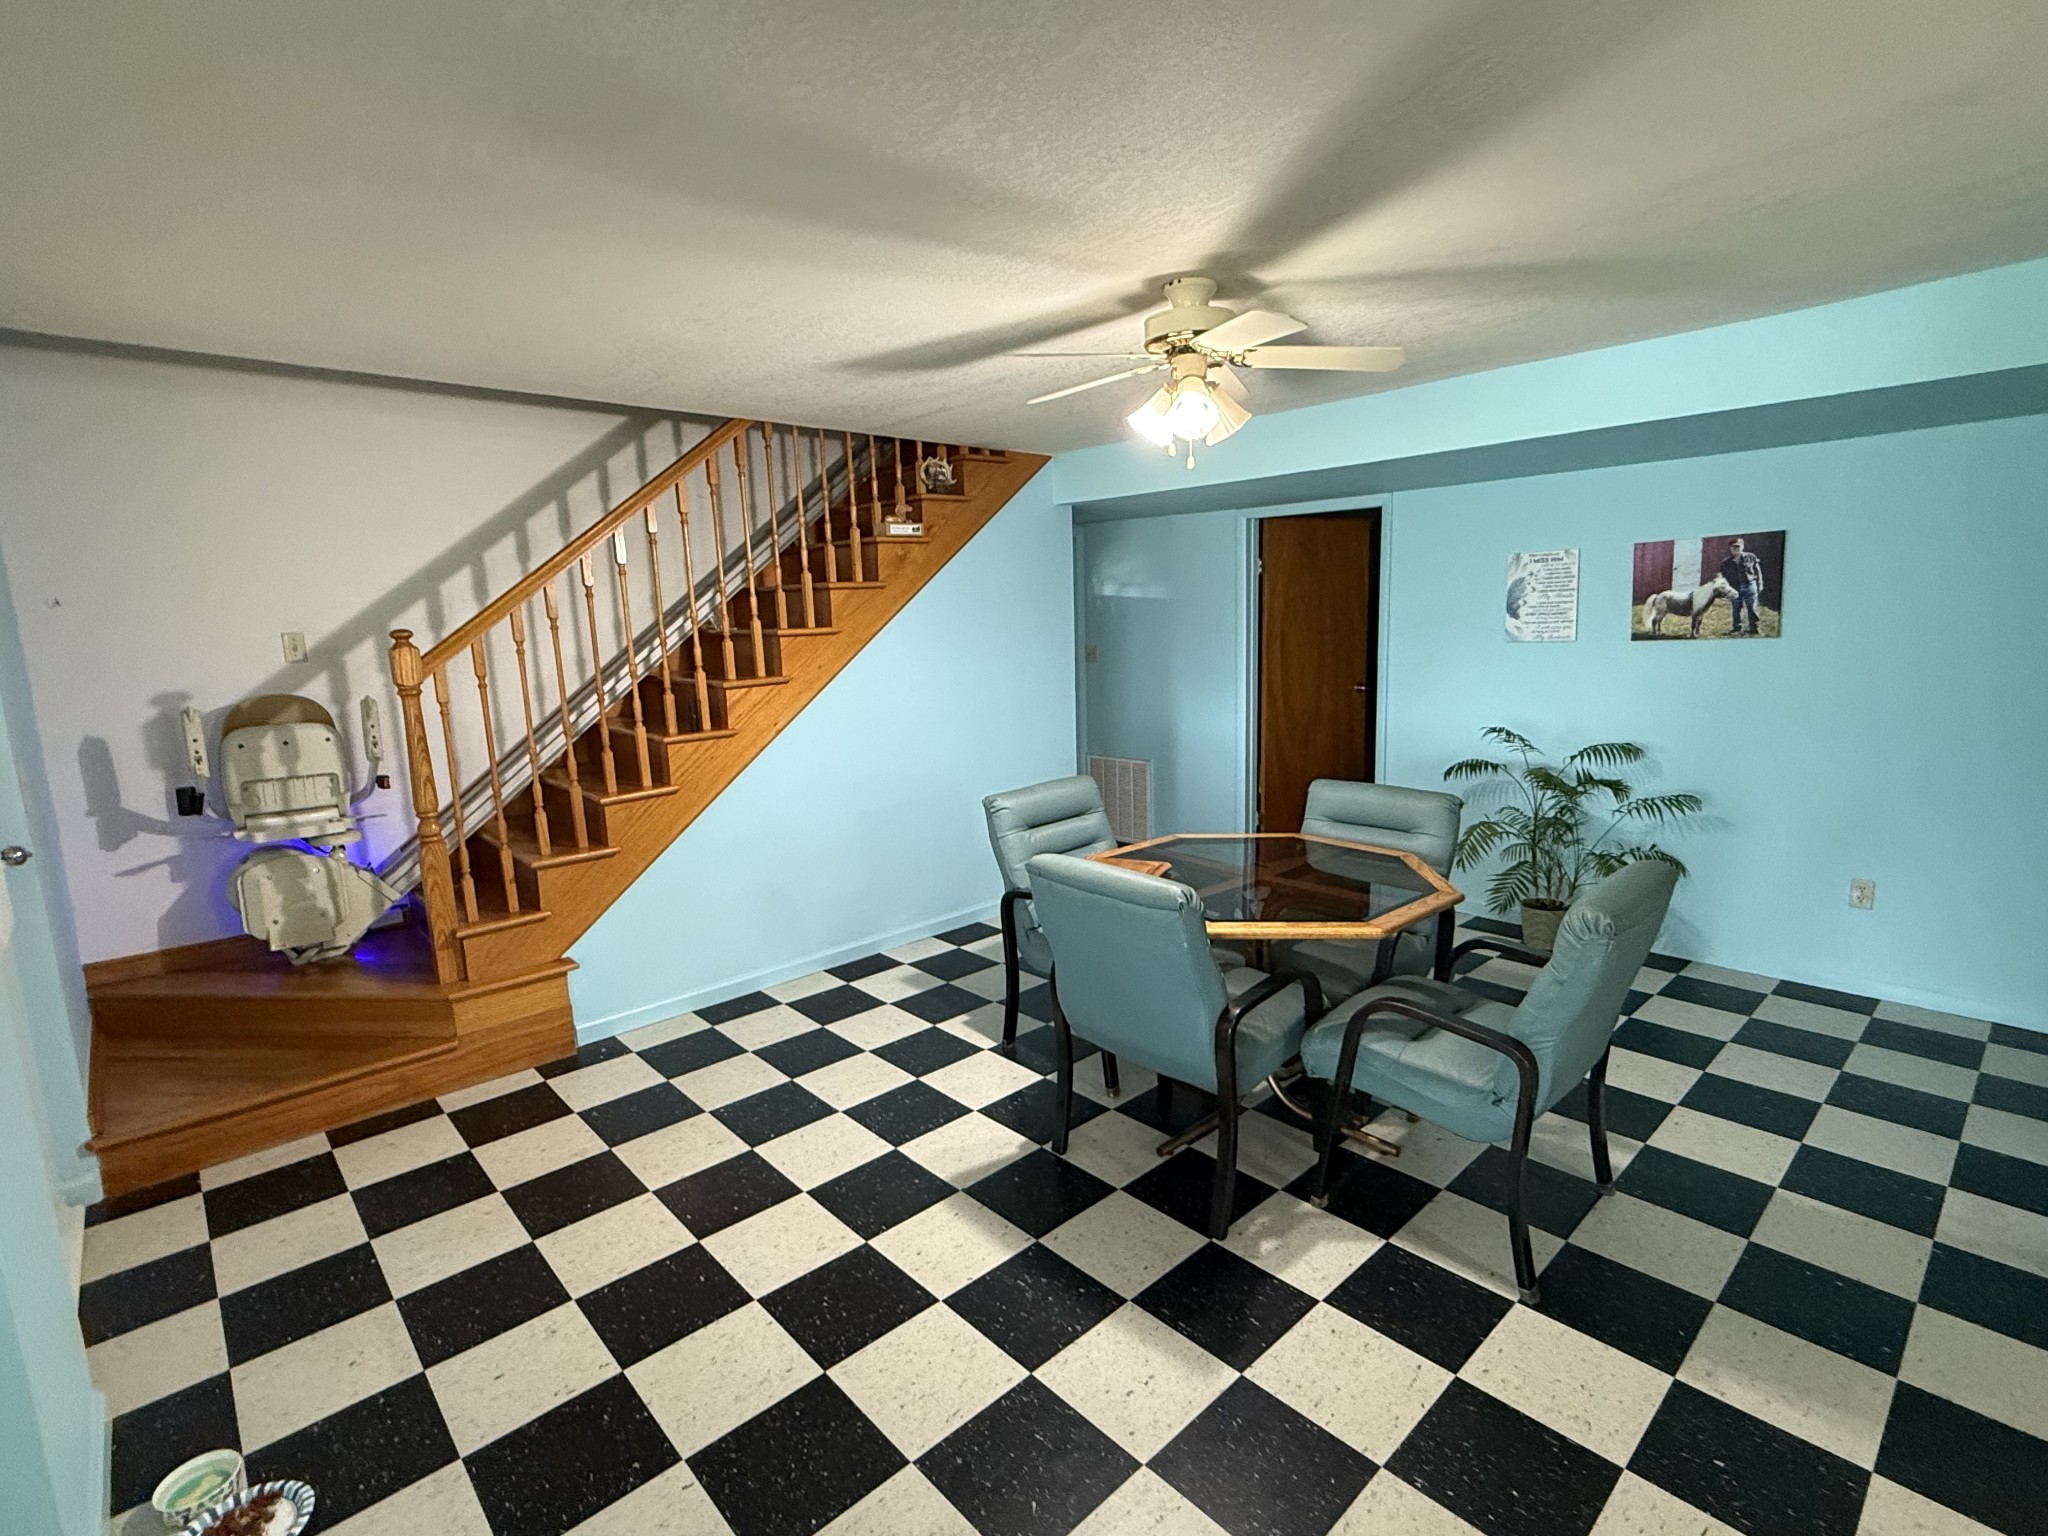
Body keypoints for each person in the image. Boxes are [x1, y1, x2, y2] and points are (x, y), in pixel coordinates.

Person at [1719, 537, 1765, 635]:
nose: (1735, 549)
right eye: (1733, 547)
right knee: (1736, 608)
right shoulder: (1725, 563)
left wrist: (1760, 583)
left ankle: (1754, 628)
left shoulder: (1750, 556)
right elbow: (1723, 578)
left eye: (1738, 546)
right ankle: (1737, 628)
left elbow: (1757, 570)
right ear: (1730, 548)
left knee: (1752, 607)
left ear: (1742, 546)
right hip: (1735, 587)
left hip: (1750, 585)